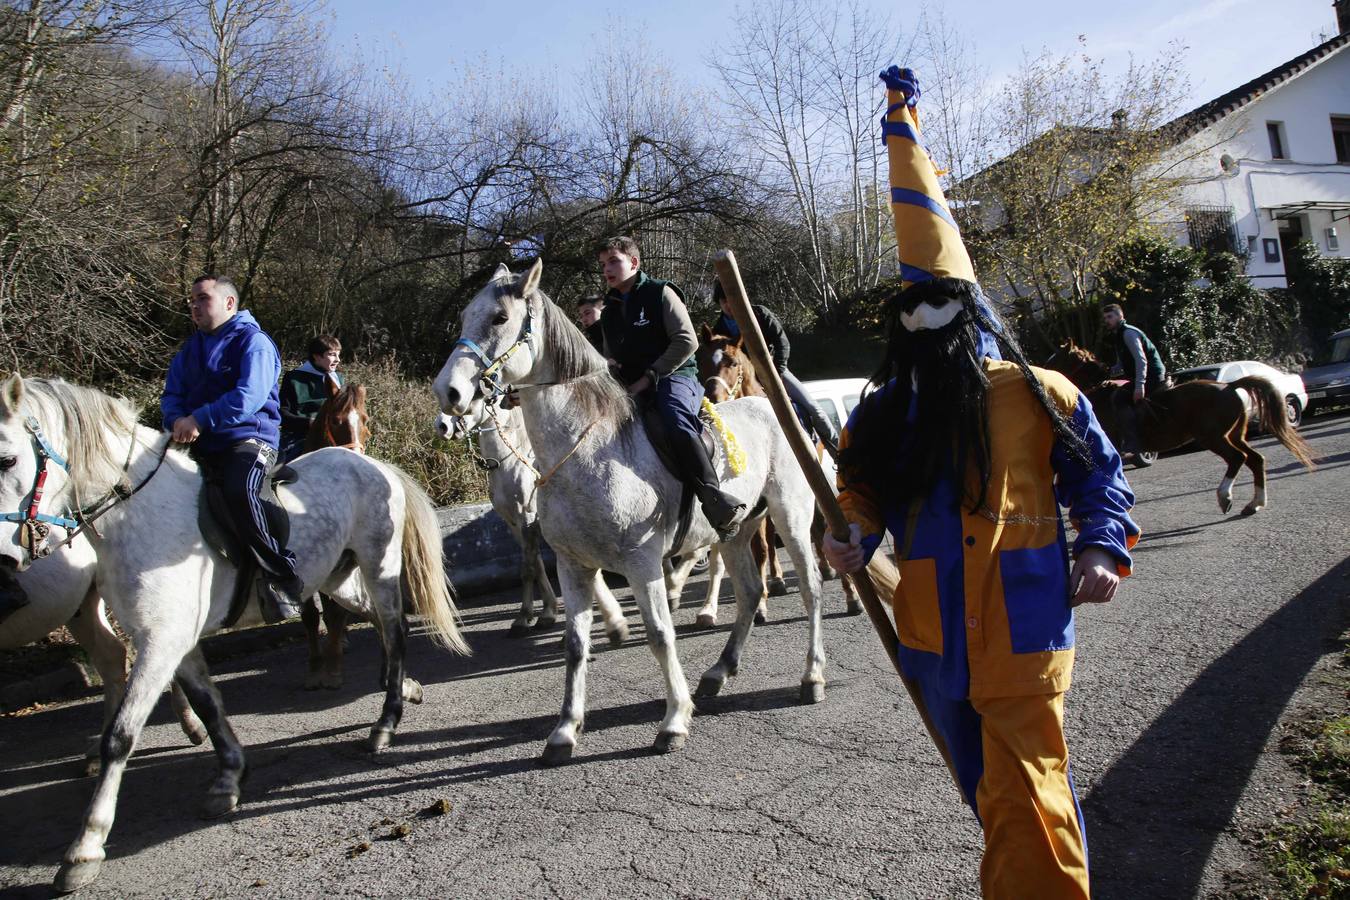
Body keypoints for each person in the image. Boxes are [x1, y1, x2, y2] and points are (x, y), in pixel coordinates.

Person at [822, 66, 1140, 898]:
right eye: (909, 307)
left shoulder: (1038, 392)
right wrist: (851, 532)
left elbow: (1100, 477)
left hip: (1024, 625)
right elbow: (860, 489)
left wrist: (1103, 546)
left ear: (972, 312)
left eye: (939, 304)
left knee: (1027, 795)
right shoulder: (885, 411)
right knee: (987, 796)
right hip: (932, 638)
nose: (921, 322)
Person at [161, 275, 305, 623]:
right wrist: (175, 419)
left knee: (239, 489)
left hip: (249, 440)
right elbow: (171, 395)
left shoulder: (253, 342)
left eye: (202, 298)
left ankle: (281, 576)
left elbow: (249, 397)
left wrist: (199, 419)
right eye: (191, 300)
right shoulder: (189, 351)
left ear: (229, 303)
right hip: (200, 444)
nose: (194, 305)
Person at [595, 235, 746, 539]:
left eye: (614, 261)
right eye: (602, 264)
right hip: (632, 385)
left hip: (675, 377)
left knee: (675, 417)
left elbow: (688, 341)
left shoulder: (660, 292)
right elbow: (610, 355)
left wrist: (651, 376)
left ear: (634, 262)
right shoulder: (609, 310)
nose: (607, 270)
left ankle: (714, 499)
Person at [706, 280, 840, 458]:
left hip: (775, 370)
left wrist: (776, 370)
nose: (728, 305)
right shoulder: (719, 328)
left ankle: (839, 452)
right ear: (719, 303)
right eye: (723, 302)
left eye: (731, 299)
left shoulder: (759, 313)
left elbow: (782, 342)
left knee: (815, 410)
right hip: (745, 379)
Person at [1102, 303, 1169, 464]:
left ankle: (1133, 443)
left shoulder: (1128, 333)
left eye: (1110, 317)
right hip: (1143, 376)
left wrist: (1140, 386)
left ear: (1120, 316)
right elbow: (1122, 364)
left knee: (1119, 397)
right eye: (1105, 318)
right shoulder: (1119, 336)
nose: (1107, 321)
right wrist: (1107, 372)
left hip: (1153, 376)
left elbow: (1141, 360)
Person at [279, 334, 343, 463]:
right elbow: (282, 414)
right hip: (298, 438)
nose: (338, 360)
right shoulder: (293, 378)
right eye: (332, 355)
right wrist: (310, 423)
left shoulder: (339, 379)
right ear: (316, 356)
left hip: (332, 438)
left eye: (338, 355)